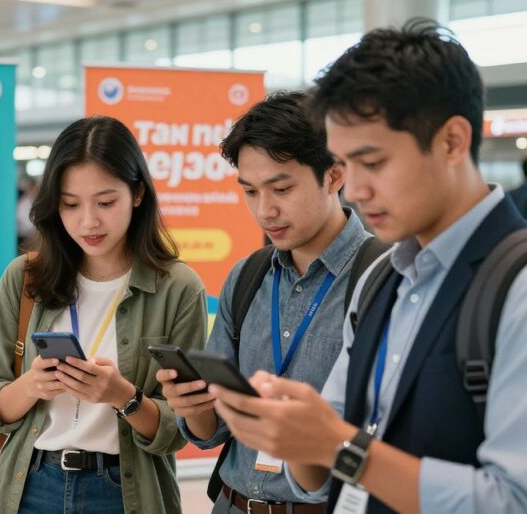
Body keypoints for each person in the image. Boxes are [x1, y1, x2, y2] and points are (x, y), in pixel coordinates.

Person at [208, 19, 527, 513]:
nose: (354, 189)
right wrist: (297, 432)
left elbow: (522, 504)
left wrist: (336, 445)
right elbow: (319, 477)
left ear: (451, 141)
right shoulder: (383, 280)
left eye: (373, 162)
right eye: (345, 164)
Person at [0, 116, 208, 514]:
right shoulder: (25, 277)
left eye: (106, 202)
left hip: (123, 492)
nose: (88, 221)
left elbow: (179, 431)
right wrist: (33, 386)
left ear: (136, 194)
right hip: (28, 485)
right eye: (70, 204)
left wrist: (122, 397)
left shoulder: (178, 287)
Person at [156, 92, 372, 514]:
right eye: (251, 191)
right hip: (233, 504)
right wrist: (193, 407)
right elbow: (212, 430)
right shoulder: (248, 276)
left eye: (282, 188)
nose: (265, 210)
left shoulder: (380, 276)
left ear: (334, 175)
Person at [16, 176, 39, 252]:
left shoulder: (35, 201)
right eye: (34, 189)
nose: (36, 191)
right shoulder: (23, 202)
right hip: (24, 236)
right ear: (30, 189)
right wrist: (35, 229)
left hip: (34, 234)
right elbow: (22, 217)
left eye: (37, 189)